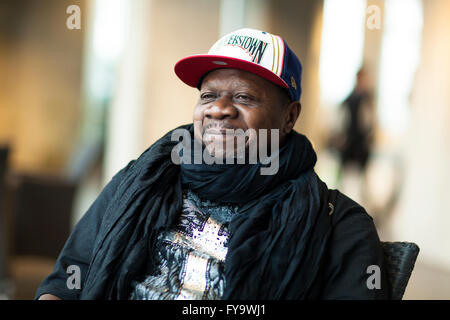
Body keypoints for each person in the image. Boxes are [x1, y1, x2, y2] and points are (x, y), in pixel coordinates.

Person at [36, 28, 389, 300]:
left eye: (243, 97)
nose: (218, 108)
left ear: (289, 117)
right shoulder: (143, 181)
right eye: (208, 95)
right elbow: (69, 276)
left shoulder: (338, 224)